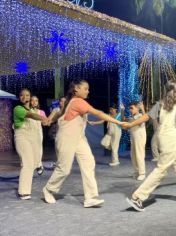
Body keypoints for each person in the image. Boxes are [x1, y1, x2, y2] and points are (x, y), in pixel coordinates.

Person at [122, 80, 176, 212]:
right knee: (161, 170)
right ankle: (137, 197)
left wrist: (131, 124)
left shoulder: (161, 103)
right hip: (169, 139)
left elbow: (146, 116)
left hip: (163, 136)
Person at [42, 79, 123, 208]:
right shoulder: (77, 102)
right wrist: (119, 122)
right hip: (66, 138)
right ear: (76, 90)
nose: (88, 91)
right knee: (64, 169)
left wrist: (51, 119)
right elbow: (97, 112)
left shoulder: (72, 102)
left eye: (88, 88)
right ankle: (48, 189)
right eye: (85, 89)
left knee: (88, 162)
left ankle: (90, 197)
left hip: (79, 138)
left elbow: (60, 113)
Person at [13, 89, 49, 200]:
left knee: (32, 162)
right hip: (22, 138)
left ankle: (37, 166)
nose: (24, 97)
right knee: (28, 162)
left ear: (30, 97)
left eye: (27, 95)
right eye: (22, 95)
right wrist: (44, 118)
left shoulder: (36, 111)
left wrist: (48, 119)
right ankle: (23, 192)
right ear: (19, 97)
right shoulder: (18, 109)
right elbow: (30, 115)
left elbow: (41, 121)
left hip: (33, 138)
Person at [128, 101, 147, 181]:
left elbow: (144, 119)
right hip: (133, 138)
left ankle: (142, 173)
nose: (130, 110)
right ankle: (137, 171)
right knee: (133, 155)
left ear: (137, 108)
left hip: (139, 138)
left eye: (132, 108)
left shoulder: (140, 116)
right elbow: (123, 122)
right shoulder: (132, 117)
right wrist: (122, 110)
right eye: (129, 108)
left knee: (139, 155)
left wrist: (142, 109)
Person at [30, 95, 47, 175]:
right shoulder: (28, 111)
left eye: (36, 100)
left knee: (39, 149)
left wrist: (47, 121)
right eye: (32, 100)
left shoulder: (41, 112)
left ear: (38, 102)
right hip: (29, 132)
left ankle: (39, 165)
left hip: (38, 132)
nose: (34, 102)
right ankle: (33, 165)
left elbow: (45, 123)